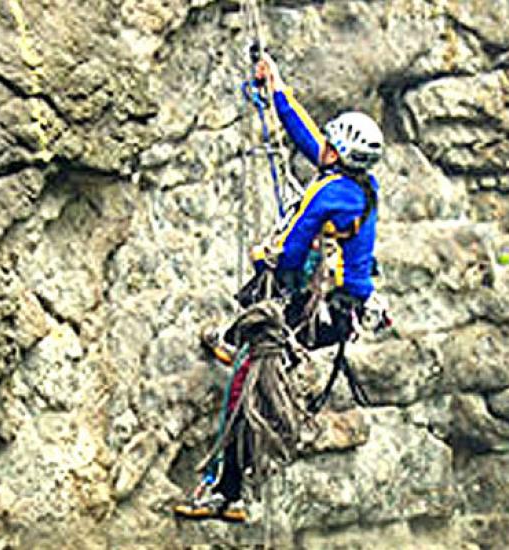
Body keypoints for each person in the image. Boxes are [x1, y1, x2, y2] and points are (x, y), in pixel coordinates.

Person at [173, 52, 386, 522]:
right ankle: (231, 340)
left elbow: (288, 251)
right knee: (257, 327)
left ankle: (226, 492)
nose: (323, 147)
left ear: (339, 155)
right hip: (343, 310)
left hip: (325, 311)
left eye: (331, 145)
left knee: (250, 384)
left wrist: (266, 257)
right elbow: (307, 138)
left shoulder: (329, 192)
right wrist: (277, 90)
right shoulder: (358, 183)